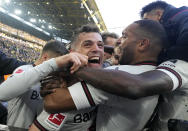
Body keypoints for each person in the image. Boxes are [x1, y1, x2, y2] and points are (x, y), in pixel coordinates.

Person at [36, 20, 168, 131]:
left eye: (125, 36)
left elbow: (53, 101)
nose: (119, 41)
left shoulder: (112, 78)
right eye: (88, 44)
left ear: (143, 44)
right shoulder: (154, 73)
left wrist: (65, 70)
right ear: (72, 52)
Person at [29, 24, 104, 131]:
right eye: (87, 45)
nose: (97, 49)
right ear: (73, 53)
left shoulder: (108, 74)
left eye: (100, 45)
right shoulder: (64, 91)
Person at [0, 40, 88, 129]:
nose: (58, 69)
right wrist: (53, 65)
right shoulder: (25, 70)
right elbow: (2, 94)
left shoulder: (55, 81)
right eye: (58, 64)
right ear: (45, 58)